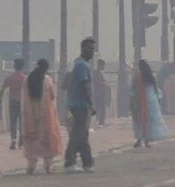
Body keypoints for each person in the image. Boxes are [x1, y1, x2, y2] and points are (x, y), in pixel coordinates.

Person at [20, 59, 62, 174]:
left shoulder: (27, 79)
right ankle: (48, 166)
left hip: (31, 112)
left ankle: (31, 166)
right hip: (45, 114)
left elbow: (24, 98)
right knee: (47, 139)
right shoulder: (47, 80)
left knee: (32, 140)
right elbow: (52, 96)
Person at [63, 38, 96, 173]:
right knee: (78, 133)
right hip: (81, 104)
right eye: (89, 49)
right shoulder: (82, 65)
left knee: (82, 134)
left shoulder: (76, 64)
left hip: (75, 103)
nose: (92, 52)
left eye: (93, 49)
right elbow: (84, 85)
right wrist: (90, 103)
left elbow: (64, 84)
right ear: (83, 49)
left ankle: (87, 162)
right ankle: (69, 161)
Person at [130, 59, 169, 147]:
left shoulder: (137, 77)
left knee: (139, 120)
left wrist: (132, 101)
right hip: (152, 101)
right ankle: (146, 140)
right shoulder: (150, 77)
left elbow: (133, 90)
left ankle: (139, 139)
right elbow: (156, 90)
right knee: (150, 121)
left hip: (141, 100)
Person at [1, 58, 26, 149]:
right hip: (22, 103)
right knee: (22, 122)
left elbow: (3, 88)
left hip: (12, 102)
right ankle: (21, 140)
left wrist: (0, 98)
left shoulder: (10, 78)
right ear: (22, 67)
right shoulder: (24, 79)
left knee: (13, 122)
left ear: (14, 66)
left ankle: (13, 140)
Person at [92, 59, 109, 127]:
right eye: (103, 65)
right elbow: (98, 83)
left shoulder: (98, 72)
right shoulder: (98, 72)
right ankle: (100, 122)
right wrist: (104, 84)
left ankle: (99, 122)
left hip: (99, 92)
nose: (103, 66)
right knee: (101, 108)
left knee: (99, 107)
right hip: (99, 93)